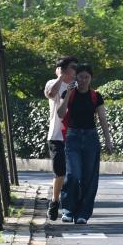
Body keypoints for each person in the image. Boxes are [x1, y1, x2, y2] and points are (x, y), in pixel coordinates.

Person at [56, 64, 114, 224]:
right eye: (80, 77)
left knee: (89, 177)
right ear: (76, 78)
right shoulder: (69, 93)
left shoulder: (96, 96)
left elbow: (102, 119)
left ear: (91, 79)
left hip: (91, 138)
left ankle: (83, 213)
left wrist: (108, 140)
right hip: (73, 137)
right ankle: (68, 210)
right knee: (73, 174)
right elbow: (60, 114)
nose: (83, 80)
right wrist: (68, 93)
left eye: (86, 77)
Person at [44, 56, 77, 220]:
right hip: (56, 135)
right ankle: (55, 201)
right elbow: (51, 94)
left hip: (75, 134)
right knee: (60, 172)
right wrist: (60, 77)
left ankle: (70, 205)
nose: (75, 70)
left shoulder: (78, 85)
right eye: (72, 67)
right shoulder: (53, 83)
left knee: (74, 173)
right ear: (63, 69)